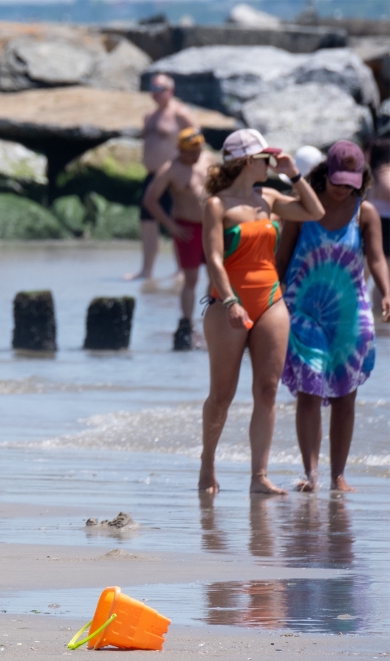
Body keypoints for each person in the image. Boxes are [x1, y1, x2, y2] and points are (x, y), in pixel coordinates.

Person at [197, 129, 324, 496]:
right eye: (266, 157)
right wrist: (232, 301)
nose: (271, 162)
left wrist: (294, 174)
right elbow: (215, 260)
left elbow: (314, 212)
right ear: (246, 162)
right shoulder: (216, 205)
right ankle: (208, 465)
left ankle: (259, 477)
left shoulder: (269, 197)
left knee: (267, 390)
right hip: (227, 304)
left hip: (271, 300)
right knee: (222, 395)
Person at [277, 140, 390, 493]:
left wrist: (386, 291)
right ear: (325, 174)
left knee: (346, 396)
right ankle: (311, 475)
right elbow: (280, 259)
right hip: (304, 310)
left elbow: (375, 258)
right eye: (337, 182)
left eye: (350, 184)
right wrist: (269, 301)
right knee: (308, 391)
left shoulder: (364, 212)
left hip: (349, 315)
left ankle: (338, 475)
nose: (343, 190)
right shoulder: (301, 209)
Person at [143, 128, 214, 347]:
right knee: (190, 279)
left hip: (211, 226)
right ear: (180, 150)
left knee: (216, 275)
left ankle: (210, 321)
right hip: (187, 228)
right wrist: (171, 226)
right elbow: (150, 200)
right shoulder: (170, 170)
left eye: (198, 150)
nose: (195, 155)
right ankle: (186, 323)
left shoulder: (208, 161)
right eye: (191, 151)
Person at [127, 73, 197, 281]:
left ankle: (181, 270)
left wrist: (185, 167)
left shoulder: (180, 114)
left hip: (172, 176)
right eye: (153, 89)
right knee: (147, 221)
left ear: (171, 91)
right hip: (151, 175)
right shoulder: (149, 116)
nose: (156, 93)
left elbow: (196, 140)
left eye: (160, 89)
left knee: (176, 221)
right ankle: (146, 270)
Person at [366, 138, 390, 325]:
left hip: (376, 222)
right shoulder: (384, 173)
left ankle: (377, 312)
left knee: (375, 273)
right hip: (384, 224)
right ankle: (380, 313)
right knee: (384, 273)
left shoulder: (371, 173)